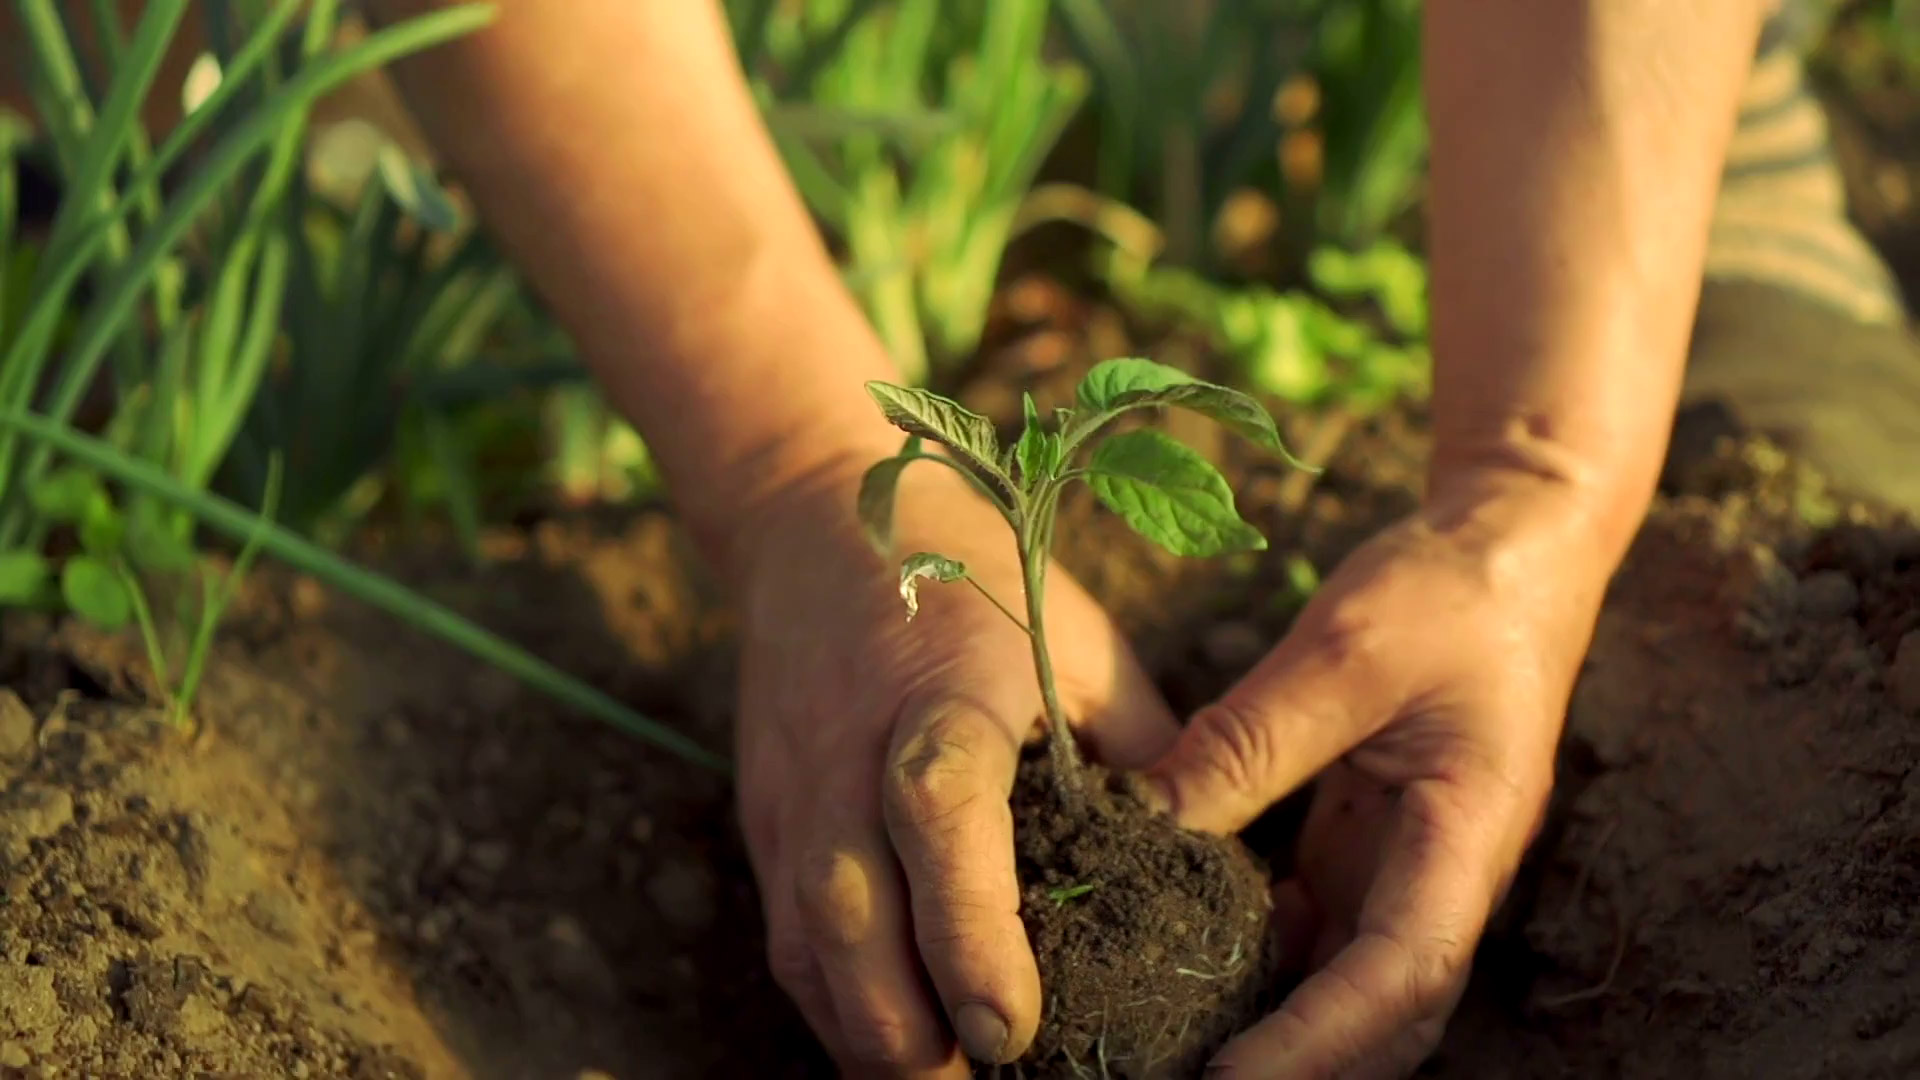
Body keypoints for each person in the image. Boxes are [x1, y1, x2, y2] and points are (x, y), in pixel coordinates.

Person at [366, 1, 1919, 1076]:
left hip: (1597, 106)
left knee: (1825, 588)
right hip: (703, 114)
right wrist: (791, 463)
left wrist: (1543, 477)